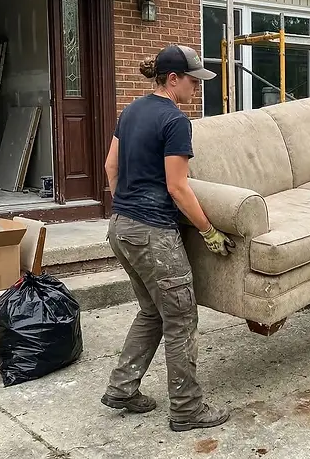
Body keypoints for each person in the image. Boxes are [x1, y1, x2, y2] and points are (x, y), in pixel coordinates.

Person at [101, 44, 236, 432]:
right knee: (180, 318)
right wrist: (209, 231)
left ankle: (122, 388)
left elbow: (111, 166)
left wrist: (126, 206)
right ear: (173, 79)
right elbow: (178, 188)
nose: (196, 88)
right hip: (153, 235)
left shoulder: (131, 111)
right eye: (193, 81)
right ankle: (187, 408)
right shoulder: (175, 121)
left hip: (121, 228)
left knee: (151, 311)